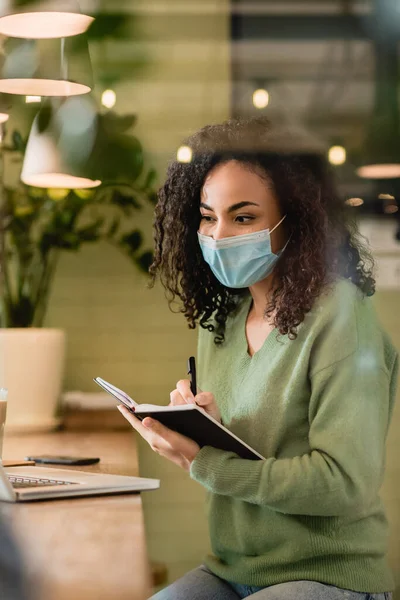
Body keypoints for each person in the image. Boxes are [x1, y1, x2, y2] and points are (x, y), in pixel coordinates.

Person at [117, 117, 397, 600]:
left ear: (297, 221)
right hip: (231, 570)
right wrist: (205, 427)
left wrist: (204, 462)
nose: (220, 234)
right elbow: (253, 450)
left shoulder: (341, 316)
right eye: (208, 216)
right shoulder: (221, 320)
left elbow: (343, 482)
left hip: (325, 575)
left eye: (243, 217)